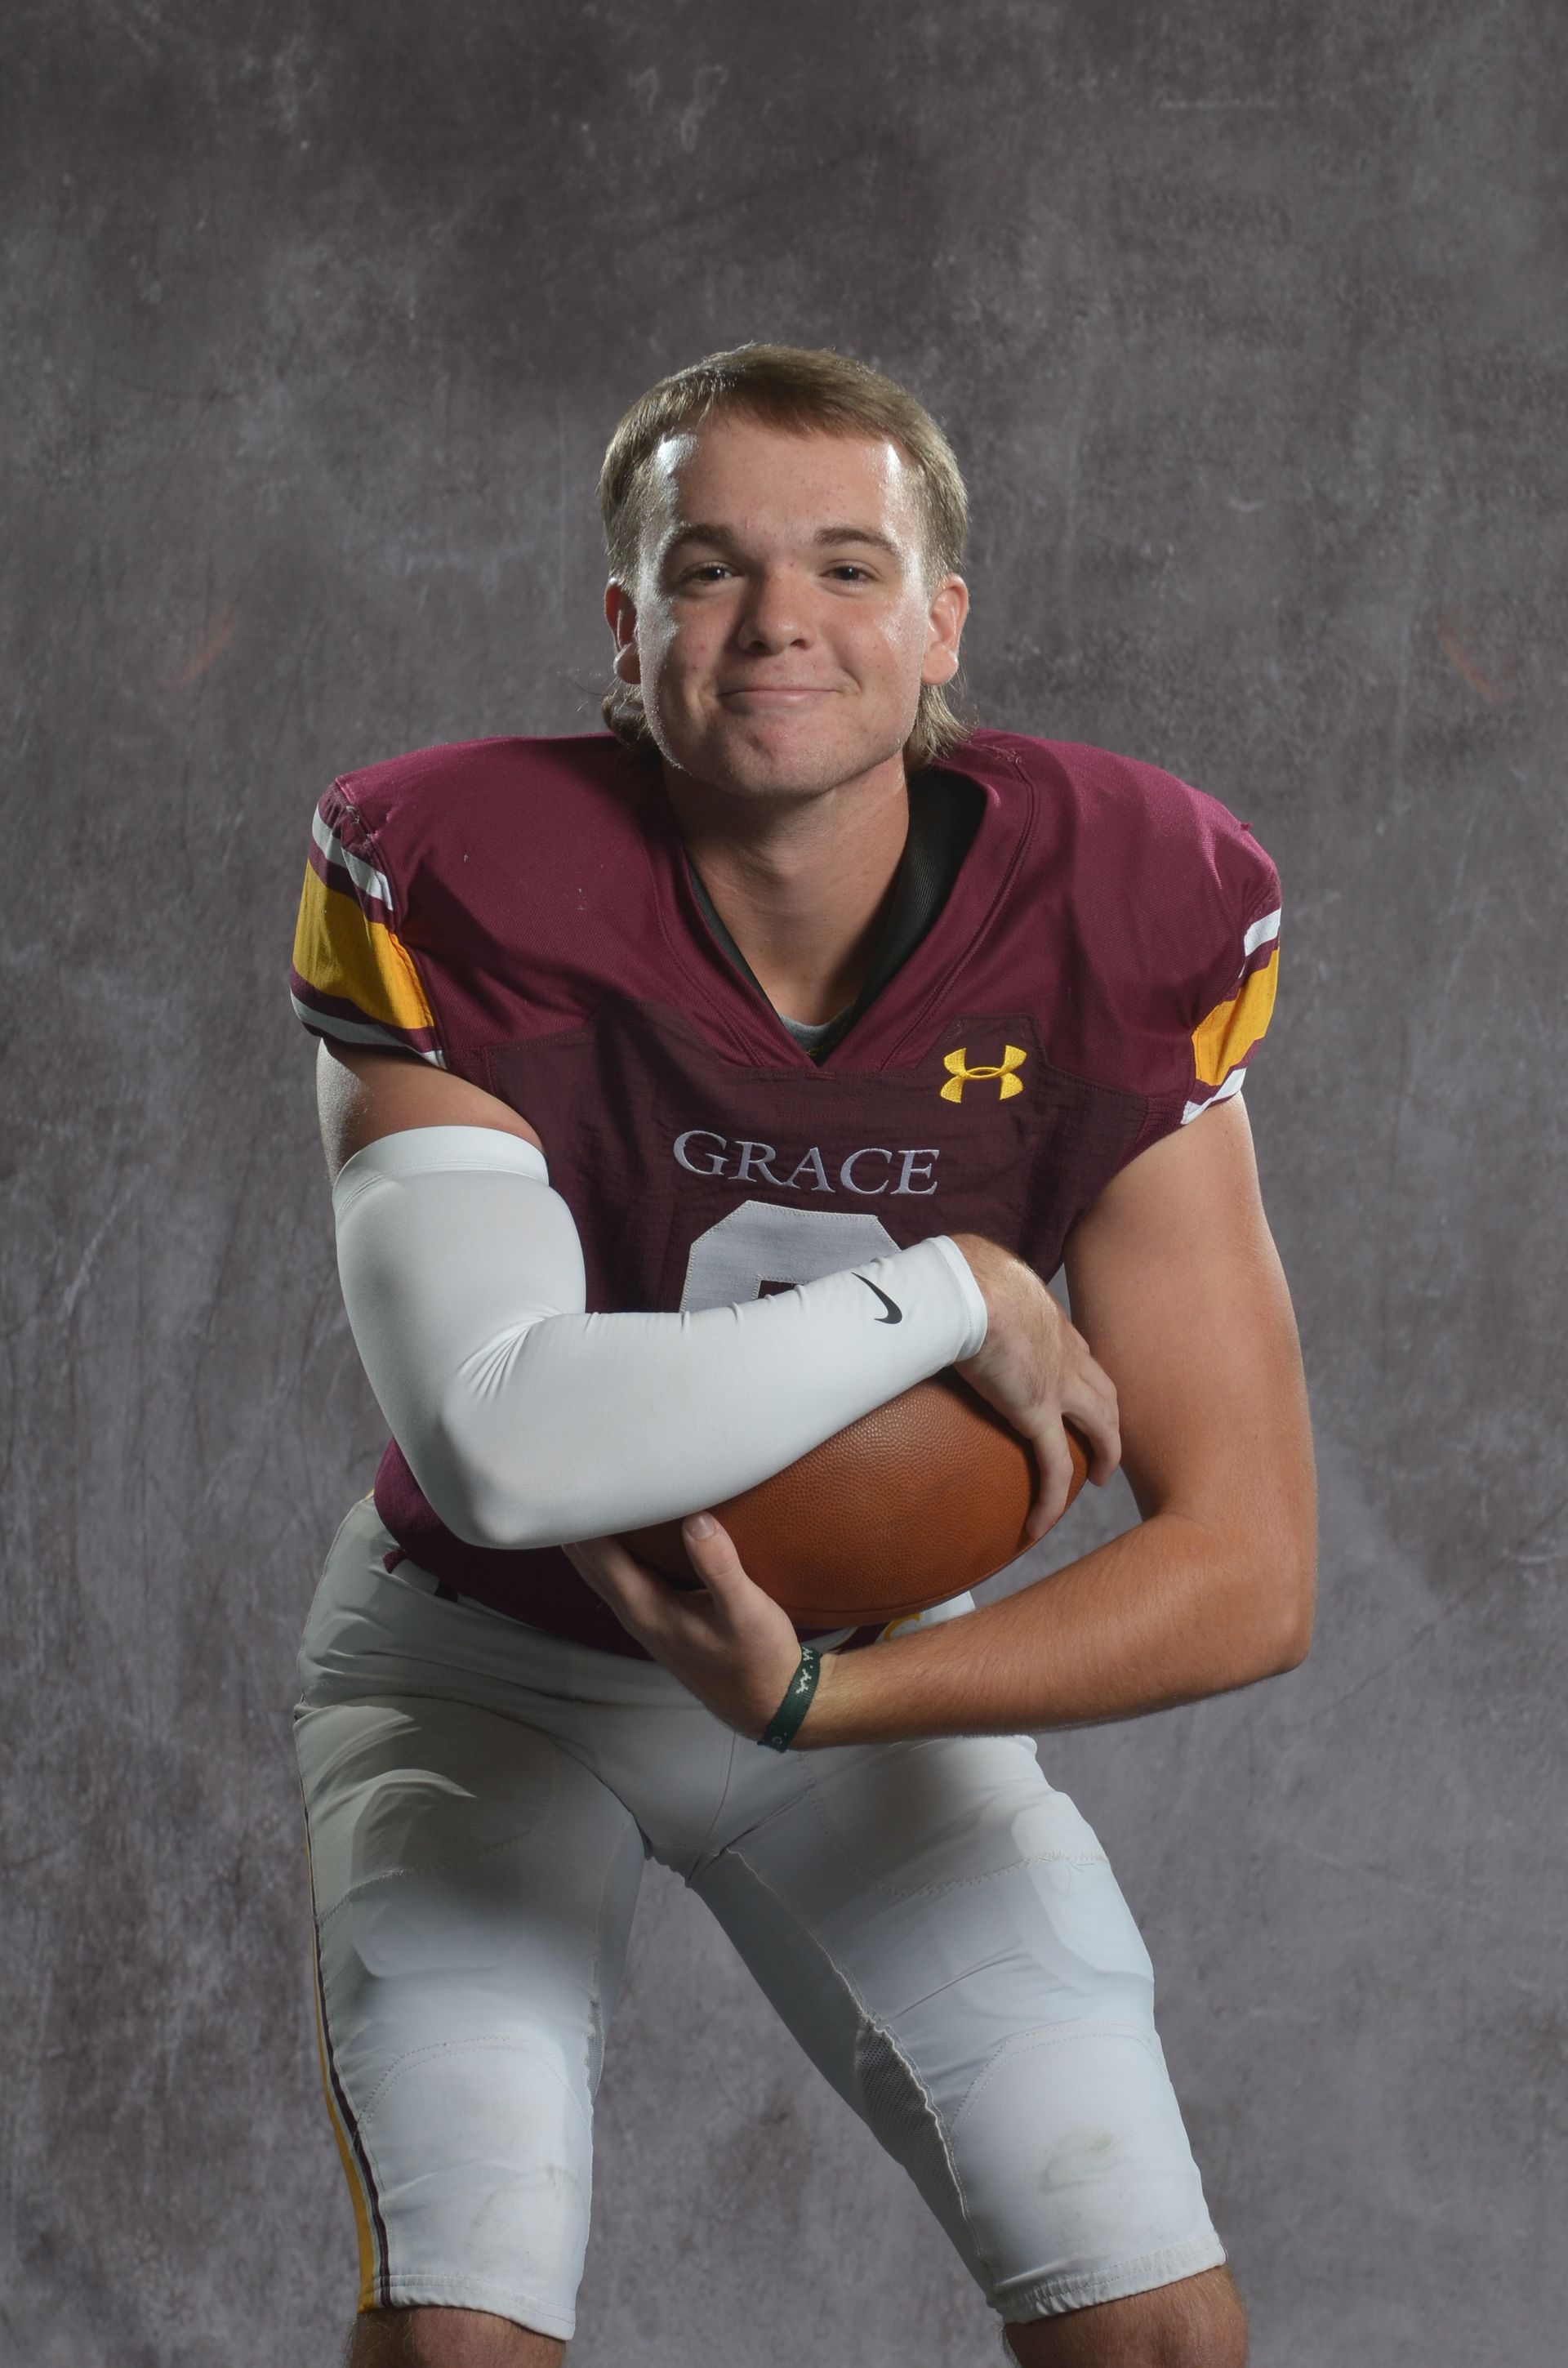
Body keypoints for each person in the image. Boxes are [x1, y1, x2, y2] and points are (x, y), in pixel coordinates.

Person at [288, 343, 1315, 2367]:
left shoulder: (1128, 899)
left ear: (944, 622)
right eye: (709, 568)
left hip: (863, 1672)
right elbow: (501, 1444)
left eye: (850, 565)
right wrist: (954, 1287)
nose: (780, 624)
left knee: (1161, 2335)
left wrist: (832, 1696)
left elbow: (1249, 1568)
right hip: (485, 1661)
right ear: (625, 624)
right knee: (462, 2337)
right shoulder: (459, 867)